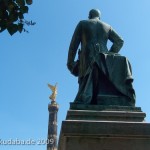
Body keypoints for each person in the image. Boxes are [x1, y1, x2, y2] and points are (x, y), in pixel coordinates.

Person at [67, 9, 136, 106]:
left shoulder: (82, 24)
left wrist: (70, 63)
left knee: (84, 89)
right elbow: (119, 41)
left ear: (89, 15)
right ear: (99, 17)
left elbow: (73, 46)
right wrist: (109, 55)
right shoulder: (107, 26)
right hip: (103, 61)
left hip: (86, 59)